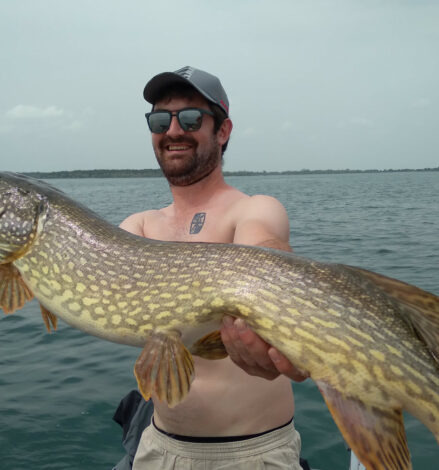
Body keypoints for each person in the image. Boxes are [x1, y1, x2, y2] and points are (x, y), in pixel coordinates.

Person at [111, 66, 310, 470]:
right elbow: (89, 261)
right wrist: (0, 238)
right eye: (159, 119)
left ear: (222, 130)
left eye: (190, 118)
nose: (172, 131)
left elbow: (265, 248)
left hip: (252, 455)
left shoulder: (253, 209)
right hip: (157, 449)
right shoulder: (139, 227)